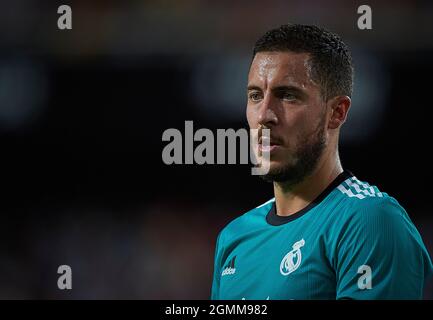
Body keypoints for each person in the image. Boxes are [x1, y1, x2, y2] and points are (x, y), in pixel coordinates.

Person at [210, 24, 433, 299]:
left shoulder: (369, 222)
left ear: (336, 112)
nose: (264, 115)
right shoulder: (234, 238)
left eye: (288, 95)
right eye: (255, 96)